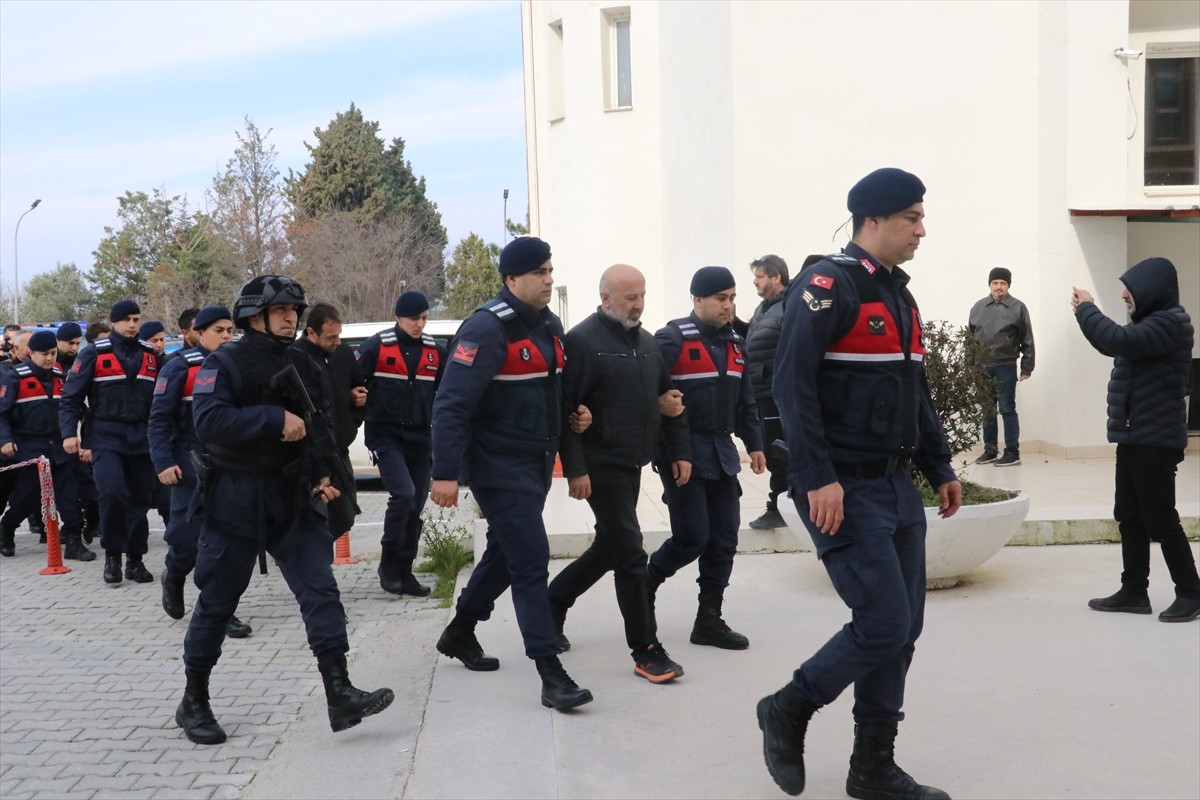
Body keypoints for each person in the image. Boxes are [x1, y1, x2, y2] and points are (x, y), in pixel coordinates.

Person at [760, 167, 961, 800]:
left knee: (904, 630)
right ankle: (789, 706)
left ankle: (873, 766)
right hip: (843, 488)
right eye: (912, 218)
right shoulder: (826, 287)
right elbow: (791, 387)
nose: (922, 230)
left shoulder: (899, 296)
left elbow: (914, 391)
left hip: (897, 487)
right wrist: (817, 477)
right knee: (881, 622)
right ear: (872, 220)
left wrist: (940, 465)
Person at [175, 275, 393, 745]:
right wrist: (272, 418)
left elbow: (318, 426)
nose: (291, 317)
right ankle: (194, 700)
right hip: (236, 497)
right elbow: (208, 420)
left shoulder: (302, 362)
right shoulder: (224, 361)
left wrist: (321, 475)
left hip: (293, 497)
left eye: (295, 310)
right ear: (254, 316)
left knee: (321, 591)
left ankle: (340, 693)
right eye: (281, 311)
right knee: (217, 603)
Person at [430, 235, 594, 711]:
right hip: (498, 466)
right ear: (511, 279)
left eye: (550, 270)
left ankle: (460, 630)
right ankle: (550, 673)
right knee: (530, 558)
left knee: (505, 553)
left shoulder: (549, 325)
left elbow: (554, 392)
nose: (549, 279)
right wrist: (445, 473)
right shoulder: (485, 329)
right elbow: (451, 404)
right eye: (540, 272)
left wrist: (574, 419)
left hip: (536, 462)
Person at [548, 264, 690, 683]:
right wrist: (575, 469)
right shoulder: (583, 342)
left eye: (642, 295)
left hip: (634, 461)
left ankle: (554, 600)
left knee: (611, 545)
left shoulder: (647, 343)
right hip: (599, 464)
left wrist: (678, 450)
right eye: (630, 297)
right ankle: (646, 648)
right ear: (605, 298)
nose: (639, 304)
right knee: (631, 551)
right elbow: (569, 411)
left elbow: (670, 399)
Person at [1072, 258, 1199, 623]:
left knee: (1160, 519)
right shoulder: (1149, 324)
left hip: (1155, 440)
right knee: (1129, 516)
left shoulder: (1171, 323)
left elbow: (1114, 339)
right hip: (1135, 434)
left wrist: (1088, 308)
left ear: (1152, 290)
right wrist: (1089, 315)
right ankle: (1134, 591)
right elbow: (1112, 342)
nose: (1125, 294)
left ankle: (1191, 592)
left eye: (1132, 288)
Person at [646, 266, 765, 651]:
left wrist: (755, 443)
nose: (729, 305)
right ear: (697, 300)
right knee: (692, 538)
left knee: (724, 539)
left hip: (721, 452)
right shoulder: (672, 339)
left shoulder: (735, 344)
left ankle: (709, 620)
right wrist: (669, 447)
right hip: (682, 454)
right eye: (720, 298)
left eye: (732, 298)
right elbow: (648, 394)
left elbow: (747, 400)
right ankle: (642, 587)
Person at [150, 305, 251, 638]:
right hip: (188, 466)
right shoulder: (179, 367)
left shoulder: (237, 366)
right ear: (199, 332)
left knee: (226, 543)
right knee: (187, 541)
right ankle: (175, 573)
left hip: (229, 466)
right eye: (218, 331)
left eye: (229, 330)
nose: (226, 336)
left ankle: (222, 610)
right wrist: (164, 463)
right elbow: (160, 420)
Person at [60, 300, 160, 585]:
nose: (132, 324)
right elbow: (71, 397)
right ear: (114, 322)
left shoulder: (150, 356)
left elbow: (163, 401)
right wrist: (70, 433)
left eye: (136, 319)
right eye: (126, 319)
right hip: (105, 436)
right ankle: (113, 555)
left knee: (140, 500)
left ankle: (136, 560)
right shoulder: (93, 354)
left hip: (142, 437)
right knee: (113, 494)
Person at [356, 291, 445, 597]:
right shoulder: (378, 346)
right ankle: (388, 563)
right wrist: (357, 401)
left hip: (421, 438)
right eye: (413, 319)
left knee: (416, 504)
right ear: (398, 318)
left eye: (423, 318)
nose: (419, 325)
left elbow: (448, 393)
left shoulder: (435, 351)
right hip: (386, 435)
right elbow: (352, 383)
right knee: (403, 494)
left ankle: (405, 571)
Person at [0, 331, 92, 561]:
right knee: (27, 498)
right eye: (44, 354)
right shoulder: (14, 378)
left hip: (60, 445)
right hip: (29, 447)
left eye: (52, 353)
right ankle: (6, 529)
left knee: (69, 496)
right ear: (31, 353)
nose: (49, 359)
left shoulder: (63, 377)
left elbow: (78, 409)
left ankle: (73, 542)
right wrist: (5, 440)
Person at [290, 303, 366, 544]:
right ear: (312, 333)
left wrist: (354, 410)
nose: (337, 342)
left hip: (339, 448)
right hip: (311, 454)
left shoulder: (343, 354)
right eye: (331, 337)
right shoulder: (296, 356)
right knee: (318, 517)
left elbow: (359, 388)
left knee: (345, 514)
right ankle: (312, 557)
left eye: (339, 335)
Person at [968, 267, 1034, 466]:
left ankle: (1012, 452)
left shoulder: (1018, 307)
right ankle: (990, 451)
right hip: (981, 367)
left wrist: (1026, 367)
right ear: (989, 284)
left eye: (1003, 283)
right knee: (987, 410)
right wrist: (968, 366)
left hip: (1005, 365)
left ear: (1008, 286)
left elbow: (1027, 338)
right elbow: (969, 339)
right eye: (995, 283)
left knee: (1007, 409)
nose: (999, 287)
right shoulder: (977, 308)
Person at [746, 254, 791, 530]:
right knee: (772, 449)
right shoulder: (764, 308)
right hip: (761, 391)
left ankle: (780, 509)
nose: (755, 281)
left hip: (776, 392)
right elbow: (758, 339)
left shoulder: (790, 306)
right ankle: (786, 504)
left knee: (778, 453)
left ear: (776, 277)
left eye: (760, 276)